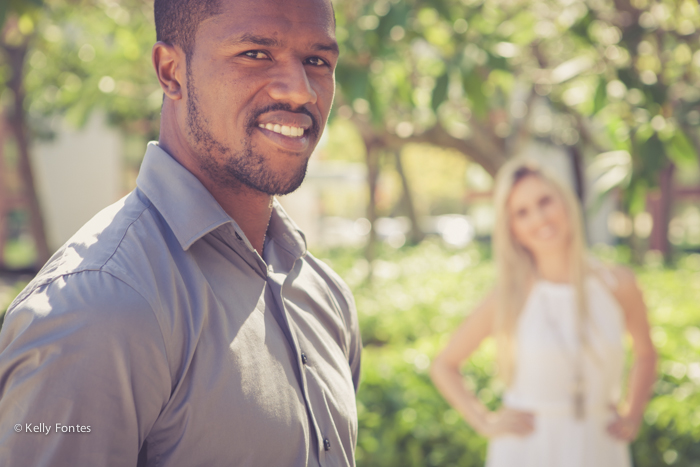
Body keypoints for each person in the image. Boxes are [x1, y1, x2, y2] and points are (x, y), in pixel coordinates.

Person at [0, 0, 362, 465]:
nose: (301, 92)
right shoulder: (97, 306)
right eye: (255, 54)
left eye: (317, 61)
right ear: (170, 71)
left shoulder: (322, 293)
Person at [430, 159, 657, 467]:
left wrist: (633, 414)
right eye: (521, 213)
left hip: (601, 444)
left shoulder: (618, 284)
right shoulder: (510, 296)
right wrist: (485, 421)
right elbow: (444, 365)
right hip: (527, 450)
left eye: (544, 201)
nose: (538, 218)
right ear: (513, 229)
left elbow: (646, 353)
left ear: (565, 202)